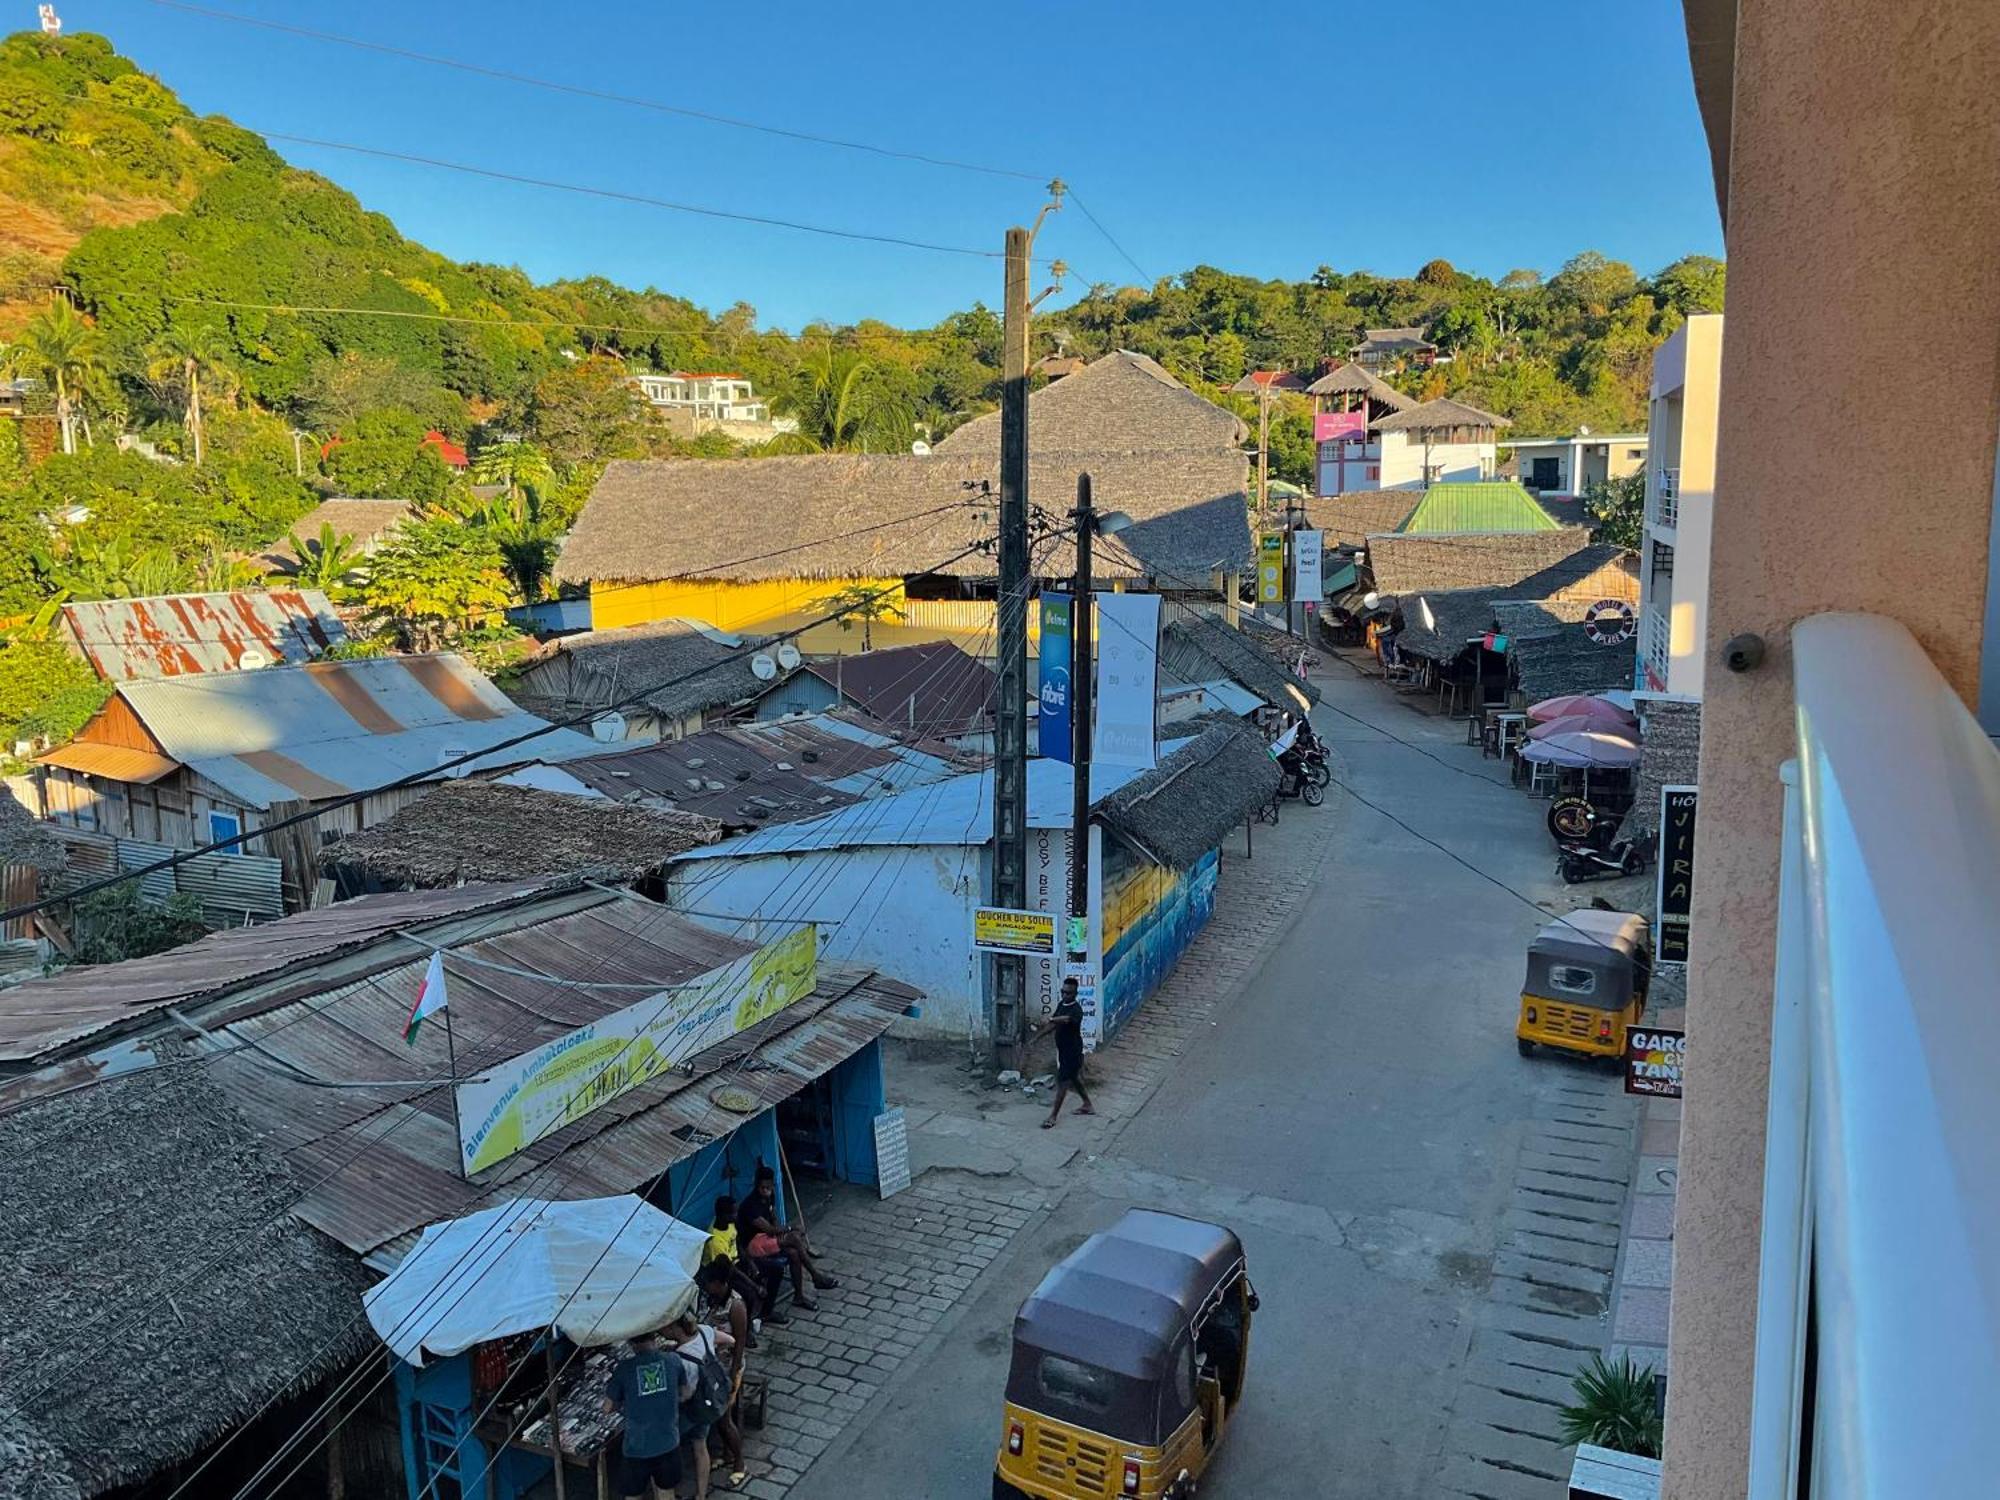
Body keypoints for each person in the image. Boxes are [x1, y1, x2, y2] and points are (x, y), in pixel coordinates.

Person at [735, 1165, 838, 1312]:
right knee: (795, 1237)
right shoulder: (750, 1205)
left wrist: (779, 1232)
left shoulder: (770, 1196)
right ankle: (816, 1276)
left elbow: (773, 1218)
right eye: (762, 1187)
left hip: (766, 1239)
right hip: (753, 1245)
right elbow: (769, 1229)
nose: (765, 1190)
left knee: (794, 1253)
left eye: (768, 1187)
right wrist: (790, 1228)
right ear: (757, 1185)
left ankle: (799, 1296)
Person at [603, 1330, 692, 1500]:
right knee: (666, 1493)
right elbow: (685, 1393)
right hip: (668, 1442)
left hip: (637, 1446)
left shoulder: (624, 1369)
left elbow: (608, 1407)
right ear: (654, 1338)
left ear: (631, 1343)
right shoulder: (673, 1360)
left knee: (634, 1495)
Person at [698, 1258, 752, 1489]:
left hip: (728, 1367)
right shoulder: (711, 1299)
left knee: (724, 1418)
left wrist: (732, 1374)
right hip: (712, 1365)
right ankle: (727, 1455)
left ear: (720, 1284)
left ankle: (740, 1463)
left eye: (711, 1284)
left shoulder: (736, 1306)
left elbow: (740, 1342)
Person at [671, 1309, 736, 1499]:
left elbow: (687, 1393)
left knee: (673, 1447)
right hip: (709, 1402)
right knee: (701, 1447)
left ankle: (672, 1491)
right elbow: (730, 1340)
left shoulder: (681, 1357)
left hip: (692, 1409)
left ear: (676, 1329)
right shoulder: (705, 1331)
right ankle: (701, 1494)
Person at [709, 1195, 782, 1329]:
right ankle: (746, 1329)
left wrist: (751, 1264)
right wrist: (755, 1286)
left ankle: (767, 1312)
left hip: (739, 1263)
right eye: (734, 1213)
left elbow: (738, 1245)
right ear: (724, 1215)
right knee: (749, 1294)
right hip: (726, 1273)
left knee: (776, 1268)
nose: (737, 1215)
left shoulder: (729, 1224)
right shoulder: (716, 1241)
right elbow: (730, 1269)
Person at [1041, 977, 1095, 1129]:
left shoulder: (1076, 1010)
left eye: (1068, 993)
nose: (1065, 995)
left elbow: (1065, 1020)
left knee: (1063, 1082)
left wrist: (1051, 1018)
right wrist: (1038, 1037)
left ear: (1075, 994)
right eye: (1063, 992)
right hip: (1063, 1050)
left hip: (1073, 1052)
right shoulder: (1061, 1004)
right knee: (1074, 1078)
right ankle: (1087, 1104)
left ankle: (1053, 1116)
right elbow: (1054, 1025)